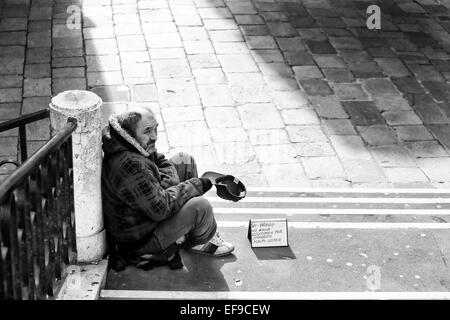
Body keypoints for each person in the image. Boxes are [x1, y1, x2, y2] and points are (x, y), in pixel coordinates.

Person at [101, 107, 234, 270]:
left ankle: (187, 231)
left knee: (185, 160)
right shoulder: (131, 166)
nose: (154, 136)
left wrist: (167, 186)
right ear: (131, 132)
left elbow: (160, 160)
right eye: (148, 131)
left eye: (156, 128)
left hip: (149, 212)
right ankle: (199, 242)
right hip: (142, 240)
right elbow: (161, 208)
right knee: (201, 206)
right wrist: (200, 184)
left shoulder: (130, 141)